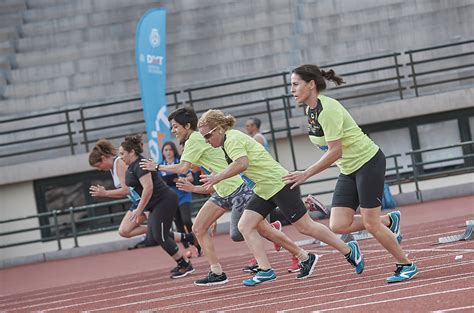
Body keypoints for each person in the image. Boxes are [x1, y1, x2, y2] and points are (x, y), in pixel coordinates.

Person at [140, 107, 313, 287]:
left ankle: (301, 255)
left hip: (237, 187)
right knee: (199, 228)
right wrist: (196, 183)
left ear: (187, 126)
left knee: (244, 232)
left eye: (175, 127)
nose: (173, 131)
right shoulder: (196, 141)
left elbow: (183, 168)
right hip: (221, 190)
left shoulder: (195, 139)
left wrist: (158, 167)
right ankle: (217, 272)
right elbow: (193, 167)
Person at [198, 110, 365, 287]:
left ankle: (348, 250)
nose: (207, 141)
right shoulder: (227, 142)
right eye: (204, 138)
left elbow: (242, 164)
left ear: (219, 129)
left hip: (279, 184)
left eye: (207, 136)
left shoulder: (232, 139)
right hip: (263, 189)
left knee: (305, 227)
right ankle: (265, 270)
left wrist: (217, 177)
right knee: (245, 225)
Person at [283, 64, 417, 283]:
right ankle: (390, 221)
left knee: (371, 223)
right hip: (349, 169)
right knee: (338, 225)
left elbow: (335, 151)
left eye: (295, 84)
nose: (292, 89)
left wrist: (305, 174)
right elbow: (331, 151)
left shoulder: (328, 109)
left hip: (368, 163)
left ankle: (406, 264)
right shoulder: (310, 110)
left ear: (311, 84)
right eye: (291, 85)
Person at [117, 134, 195, 278]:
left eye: (122, 153)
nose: (120, 156)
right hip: (156, 203)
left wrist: (139, 209)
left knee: (160, 236)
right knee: (154, 234)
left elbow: (148, 188)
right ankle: (189, 238)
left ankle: (184, 264)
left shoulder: (140, 164)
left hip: (164, 200)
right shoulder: (132, 166)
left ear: (132, 152)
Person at [159, 141, 200, 257]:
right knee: (178, 223)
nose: (167, 152)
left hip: (183, 195)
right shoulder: (161, 166)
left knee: (186, 219)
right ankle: (187, 248)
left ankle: (197, 241)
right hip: (171, 198)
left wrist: (178, 180)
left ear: (174, 151)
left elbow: (191, 177)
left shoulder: (180, 163)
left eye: (170, 150)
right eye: (165, 150)